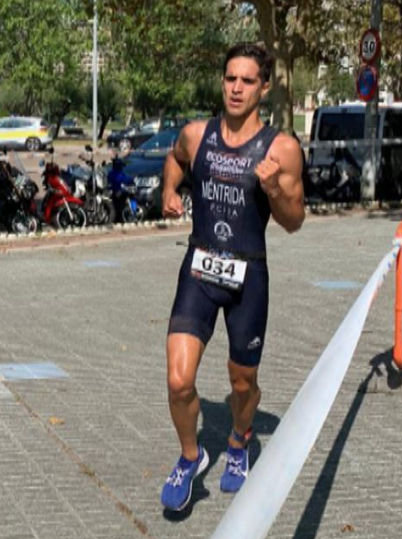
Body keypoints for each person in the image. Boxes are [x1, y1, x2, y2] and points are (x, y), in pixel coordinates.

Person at [159, 43, 305, 511]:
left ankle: (240, 442)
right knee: (179, 381)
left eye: (246, 80)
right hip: (199, 268)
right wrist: (169, 190)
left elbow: (294, 219)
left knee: (242, 383)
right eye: (230, 79)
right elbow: (176, 159)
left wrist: (274, 188)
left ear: (264, 87)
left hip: (249, 275)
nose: (236, 88)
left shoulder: (281, 148)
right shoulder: (197, 134)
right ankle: (191, 456)